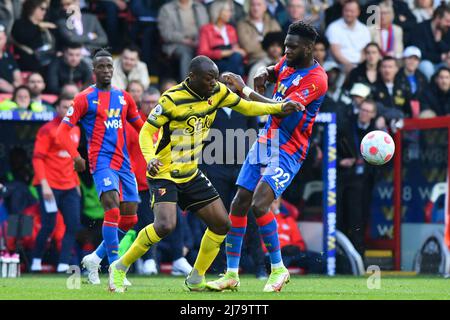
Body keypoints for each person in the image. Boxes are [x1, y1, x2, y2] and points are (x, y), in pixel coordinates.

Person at [107, 55, 303, 293]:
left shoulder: (217, 92)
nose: (214, 83)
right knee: (165, 225)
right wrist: (151, 159)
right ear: (193, 77)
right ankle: (119, 267)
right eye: (209, 79)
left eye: (215, 78)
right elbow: (146, 133)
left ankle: (195, 277)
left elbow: (247, 106)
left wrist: (279, 107)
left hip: (190, 173)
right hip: (165, 172)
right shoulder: (171, 99)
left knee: (222, 224)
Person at [207, 21, 328, 293]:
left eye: (292, 47)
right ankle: (231, 274)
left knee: (260, 205)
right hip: (265, 139)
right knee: (238, 203)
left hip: (289, 149)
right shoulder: (289, 58)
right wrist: (265, 72)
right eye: (286, 45)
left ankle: (278, 268)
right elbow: (275, 70)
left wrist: (243, 89)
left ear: (309, 48)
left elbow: (281, 109)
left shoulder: (316, 80)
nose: (286, 50)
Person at [56, 49, 145, 285]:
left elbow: (141, 127)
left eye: (109, 67)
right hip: (101, 162)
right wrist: (75, 156)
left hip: (124, 163)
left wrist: (156, 144)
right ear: (94, 71)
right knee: (112, 211)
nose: (106, 70)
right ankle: (115, 269)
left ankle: (95, 257)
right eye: (101, 67)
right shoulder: (84, 98)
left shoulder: (124, 97)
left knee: (130, 219)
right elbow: (61, 132)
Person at [30, 93, 81, 273]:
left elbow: (72, 160)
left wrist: (76, 183)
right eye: (64, 107)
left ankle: (63, 264)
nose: (67, 111)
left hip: (69, 185)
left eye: (70, 108)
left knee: (73, 224)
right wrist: (43, 184)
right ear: (57, 108)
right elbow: (37, 158)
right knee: (49, 225)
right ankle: (35, 260)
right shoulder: (47, 130)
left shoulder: (75, 129)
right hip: (49, 186)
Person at [336, 99, 378, 256]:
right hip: (345, 179)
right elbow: (333, 148)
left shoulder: (377, 134)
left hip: (364, 182)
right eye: (362, 109)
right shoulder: (346, 126)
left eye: (368, 111)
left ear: (373, 115)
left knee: (359, 220)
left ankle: (359, 257)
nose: (364, 113)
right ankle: (341, 259)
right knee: (342, 217)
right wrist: (341, 161)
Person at [157, 0, 209, 82]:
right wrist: (184, 40)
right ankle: (187, 85)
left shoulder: (200, 7)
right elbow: (166, 33)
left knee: (209, 51)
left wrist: (199, 41)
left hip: (199, 41)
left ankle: (207, 84)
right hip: (176, 44)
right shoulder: (166, 9)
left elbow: (206, 28)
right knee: (186, 52)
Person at [197, 0, 246, 75]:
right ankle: (230, 81)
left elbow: (235, 48)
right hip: (214, 63)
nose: (230, 14)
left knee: (237, 58)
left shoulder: (231, 29)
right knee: (236, 64)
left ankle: (226, 79)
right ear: (218, 12)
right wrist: (225, 53)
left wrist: (240, 51)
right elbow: (202, 53)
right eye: (227, 11)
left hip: (231, 61)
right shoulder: (206, 29)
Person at [325, 0, 371, 74]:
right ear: (342, 11)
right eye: (346, 11)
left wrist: (359, 66)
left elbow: (365, 51)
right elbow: (335, 52)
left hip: (360, 66)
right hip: (338, 66)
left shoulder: (364, 29)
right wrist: (349, 65)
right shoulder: (333, 27)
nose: (349, 14)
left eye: (352, 11)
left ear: (358, 12)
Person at [10, 0, 56, 72]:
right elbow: (23, 38)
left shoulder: (46, 24)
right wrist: (37, 27)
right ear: (32, 8)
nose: (44, 12)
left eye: (46, 9)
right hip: (29, 63)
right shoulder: (20, 24)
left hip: (48, 61)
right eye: (42, 9)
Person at [409, 4, 450, 80]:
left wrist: (439, 42)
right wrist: (440, 57)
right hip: (424, 62)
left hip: (442, 63)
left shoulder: (447, 30)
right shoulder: (420, 28)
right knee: (427, 67)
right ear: (438, 18)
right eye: (447, 21)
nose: (449, 24)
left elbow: (447, 50)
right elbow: (420, 53)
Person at [237, 0, 281, 66]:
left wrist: (259, 41)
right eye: (253, 5)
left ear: (265, 7)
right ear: (249, 7)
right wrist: (269, 45)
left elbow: (280, 42)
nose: (256, 8)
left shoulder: (272, 22)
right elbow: (248, 47)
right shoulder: (242, 24)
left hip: (275, 59)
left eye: (258, 5)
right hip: (254, 61)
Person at [0, 23, 21, 93]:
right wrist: (16, 91)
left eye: (0, 39)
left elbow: (17, 73)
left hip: (12, 96)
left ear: (5, 39)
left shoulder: (8, 56)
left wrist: (18, 86)